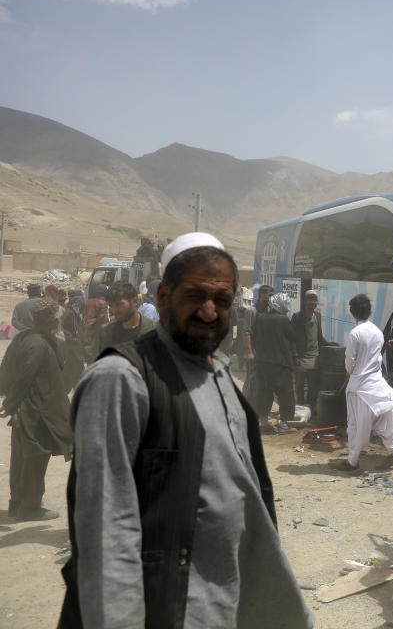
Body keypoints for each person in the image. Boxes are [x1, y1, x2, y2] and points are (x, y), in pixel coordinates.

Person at [59, 232, 313, 629]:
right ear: (163, 296)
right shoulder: (121, 380)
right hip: (171, 610)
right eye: (196, 296)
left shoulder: (222, 377)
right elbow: (108, 533)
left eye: (223, 300)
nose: (210, 311)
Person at [0, 299, 73, 521]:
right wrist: (11, 403)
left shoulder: (24, 338)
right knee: (35, 459)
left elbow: (5, 369)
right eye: (57, 320)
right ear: (52, 322)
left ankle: (18, 504)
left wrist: (9, 401)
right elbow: (24, 377)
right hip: (36, 413)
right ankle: (29, 508)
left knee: (22, 458)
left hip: (29, 411)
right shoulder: (38, 344)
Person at [330, 294, 393, 472]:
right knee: (386, 421)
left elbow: (349, 361)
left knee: (356, 426)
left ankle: (352, 462)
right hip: (378, 385)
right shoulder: (377, 332)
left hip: (360, 388)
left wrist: (349, 371)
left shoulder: (355, 333)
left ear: (353, 313)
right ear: (369, 312)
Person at [249, 292, 296, 432]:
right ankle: (283, 425)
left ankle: (263, 423)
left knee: (264, 392)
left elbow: (254, 337)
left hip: (262, 363)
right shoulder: (283, 319)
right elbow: (293, 337)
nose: (287, 308)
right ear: (280, 305)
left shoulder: (261, 318)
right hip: (280, 364)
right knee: (285, 394)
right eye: (286, 305)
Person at [291, 289, 328, 411]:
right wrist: (295, 356)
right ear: (305, 301)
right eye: (310, 300)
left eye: (315, 300)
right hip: (301, 359)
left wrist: (331, 345)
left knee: (313, 388)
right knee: (299, 387)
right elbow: (292, 339)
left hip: (314, 358)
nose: (313, 302)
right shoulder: (297, 317)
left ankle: (311, 410)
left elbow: (319, 337)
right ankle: (300, 409)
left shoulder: (318, 316)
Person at [99, 282, 156, 353]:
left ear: (135, 301)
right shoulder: (106, 332)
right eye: (111, 305)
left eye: (119, 304)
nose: (114, 310)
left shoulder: (154, 331)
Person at [61, 289, 86, 389]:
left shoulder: (76, 313)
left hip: (76, 350)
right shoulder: (69, 313)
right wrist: (70, 337)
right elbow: (60, 327)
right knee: (71, 376)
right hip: (71, 350)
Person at [82, 284, 109, 362]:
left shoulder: (88, 301)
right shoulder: (102, 303)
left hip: (88, 329)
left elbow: (84, 314)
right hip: (97, 331)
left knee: (90, 353)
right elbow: (102, 319)